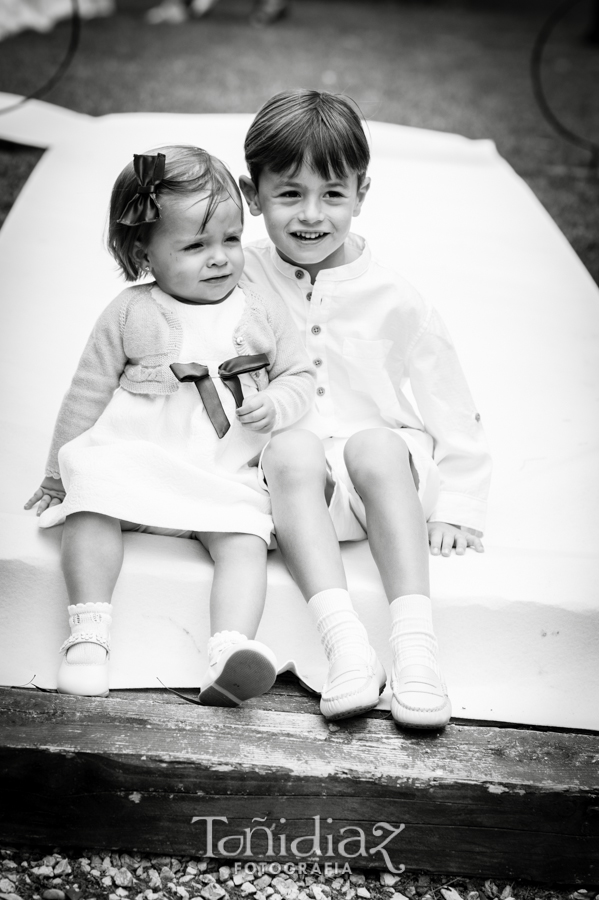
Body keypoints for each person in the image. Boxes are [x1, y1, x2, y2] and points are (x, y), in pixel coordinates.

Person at [24, 144, 315, 704]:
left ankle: (230, 649)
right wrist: (56, 474)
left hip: (220, 464)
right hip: (143, 454)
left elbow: (298, 373)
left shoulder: (258, 306)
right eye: (194, 245)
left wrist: (276, 403)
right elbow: (87, 391)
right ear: (144, 251)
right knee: (91, 498)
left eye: (231, 239)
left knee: (244, 535)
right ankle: (88, 634)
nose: (220, 258)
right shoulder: (131, 311)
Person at [239, 90, 492, 729]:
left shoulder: (396, 296)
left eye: (333, 194)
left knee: (374, 442)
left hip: (386, 482)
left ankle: (415, 651)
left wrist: (460, 503)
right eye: (288, 194)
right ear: (252, 193)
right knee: (290, 447)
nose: (311, 215)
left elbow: (450, 402)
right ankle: (346, 645)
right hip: (297, 494)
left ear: (362, 192)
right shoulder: (239, 278)